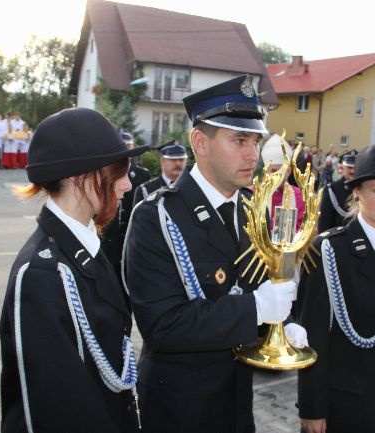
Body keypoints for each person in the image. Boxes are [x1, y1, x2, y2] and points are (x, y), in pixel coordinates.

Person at [125, 74, 297, 433]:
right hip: (180, 409)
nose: (253, 154)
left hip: (236, 404)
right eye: (239, 140)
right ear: (200, 143)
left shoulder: (252, 207)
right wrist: (257, 309)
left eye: (255, 140)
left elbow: (253, 288)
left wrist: (275, 330)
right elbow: (163, 325)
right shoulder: (157, 216)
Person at [0, 107, 149, 432]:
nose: (126, 184)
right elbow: (59, 409)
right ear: (81, 176)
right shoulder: (42, 273)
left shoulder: (84, 245)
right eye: (118, 172)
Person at [297, 143, 375, 433]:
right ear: (357, 191)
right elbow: (311, 334)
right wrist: (311, 408)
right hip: (342, 405)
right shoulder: (329, 250)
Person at [99, 131, 150, 283]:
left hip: (129, 241)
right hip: (107, 241)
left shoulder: (142, 175)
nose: (127, 186)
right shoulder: (104, 174)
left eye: (129, 147)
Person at [259, 133, 305, 230]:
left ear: (288, 171)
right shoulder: (252, 193)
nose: (278, 176)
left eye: (282, 171)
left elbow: (302, 230)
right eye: (273, 171)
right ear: (265, 170)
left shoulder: (299, 196)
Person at [132, 139, 187, 207]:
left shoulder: (192, 187)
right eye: (173, 159)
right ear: (162, 161)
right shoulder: (145, 190)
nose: (178, 163)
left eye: (181, 159)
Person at [317, 150, 357, 232]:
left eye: (355, 168)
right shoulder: (332, 190)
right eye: (349, 167)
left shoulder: (365, 190)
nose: (352, 171)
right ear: (342, 168)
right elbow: (324, 224)